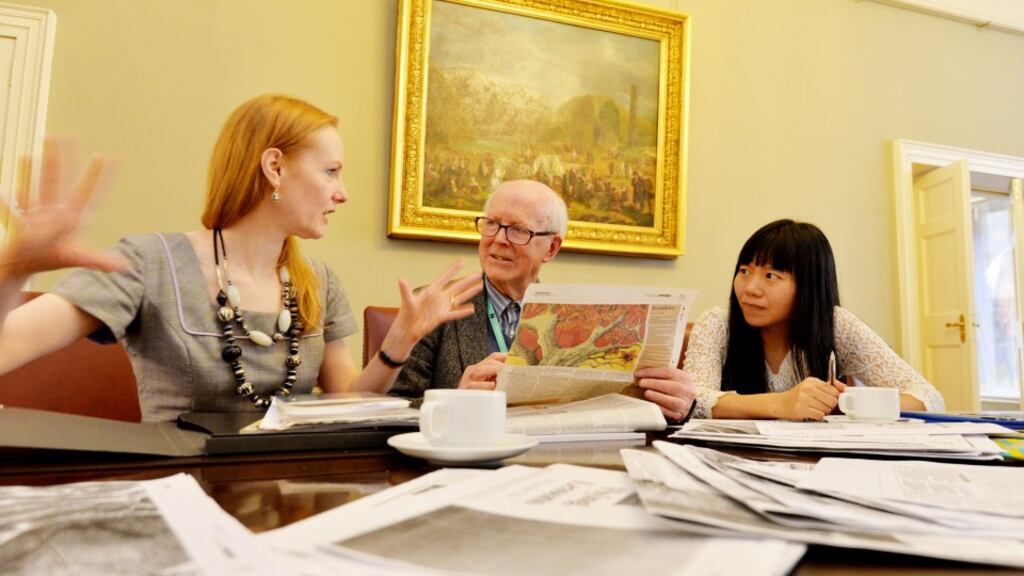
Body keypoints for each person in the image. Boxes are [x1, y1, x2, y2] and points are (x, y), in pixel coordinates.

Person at [0, 94, 481, 422]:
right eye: (331, 172)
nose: (343, 194)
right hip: (182, 498)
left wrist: (399, 343)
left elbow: (345, 404)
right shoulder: (149, 262)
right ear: (275, 167)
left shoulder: (319, 280)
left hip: (290, 499)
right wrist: (14, 268)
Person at [389, 179, 696, 422]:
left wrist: (680, 403)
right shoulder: (433, 305)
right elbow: (391, 409)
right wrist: (454, 400)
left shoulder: (572, 316)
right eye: (492, 223)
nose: (498, 239)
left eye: (518, 230)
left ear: (551, 248)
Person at [684, 219, 944, 420]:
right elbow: (693, 400)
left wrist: (846, 401)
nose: (750, 288)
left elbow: (928, 398)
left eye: (771, 276)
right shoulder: (717, 324)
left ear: (808, 286)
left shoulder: (837, 325)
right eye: (744, 271)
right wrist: (783, 404)